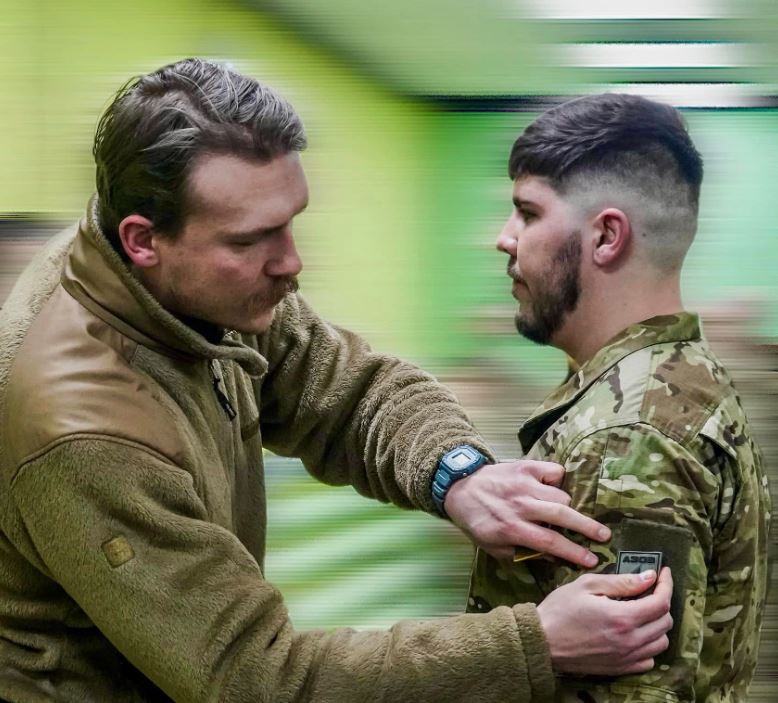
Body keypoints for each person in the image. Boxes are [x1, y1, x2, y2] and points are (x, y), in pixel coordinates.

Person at [0, 60, 674, 702]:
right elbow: (257, 680)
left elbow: (347, 390)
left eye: (291, 222)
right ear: (143, 240)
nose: (291, 262)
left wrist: (458, 474)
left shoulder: (178, 281)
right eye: (251, 240)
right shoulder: (85, 432)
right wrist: (533, 644)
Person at [466, 93, 771, 701]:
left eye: (527, 213)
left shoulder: (626, 438)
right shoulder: (686, 377)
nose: (504, 239)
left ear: (607, 236)